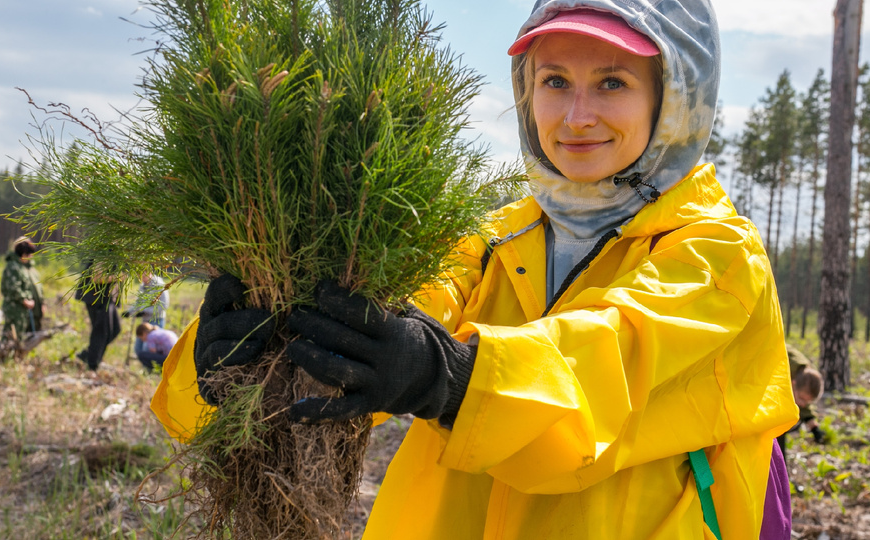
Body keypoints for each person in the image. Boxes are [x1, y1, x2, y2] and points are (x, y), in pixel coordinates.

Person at [152, 0, 798, 537]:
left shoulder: (716, 257)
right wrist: (234, 367)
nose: (576, 117)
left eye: (612, 82)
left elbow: (606, 361)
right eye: (554, 82)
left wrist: (451, 379)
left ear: (676, 99)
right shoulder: (493, 240)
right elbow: (394, 327)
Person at [777, 344, 825, 457]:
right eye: (802, 399)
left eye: (807, 402)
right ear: (792, 384)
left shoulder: (804, 374)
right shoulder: (782, 370)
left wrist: (814, 427)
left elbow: (801, 394)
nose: (803, 405)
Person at [74, 261, 122, 371]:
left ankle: (89, 354)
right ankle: (92, 364)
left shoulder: (116, 252)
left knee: (115, 329)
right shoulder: (104, 251)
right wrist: (118, 277)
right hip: (96, 299)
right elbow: (97, 277)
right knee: (101, 332)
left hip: (107, 299)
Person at [0, 237, 44, 340]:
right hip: (14, 309)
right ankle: (6, 355)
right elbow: (13, 288)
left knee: (20, 336)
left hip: (22, 310)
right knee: (12, 335)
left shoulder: (23, 267)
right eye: (29, 254)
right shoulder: (13, 267)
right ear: (23, 254)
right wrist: (25, 301)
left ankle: (17, 355)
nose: (30, 257)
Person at [125, 273, 170, 359]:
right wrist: (129, 312)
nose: (142, 278)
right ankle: (145, 368)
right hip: (145, 322)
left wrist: (146, 311)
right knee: (138, 348)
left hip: (157, 320)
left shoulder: (159, 285)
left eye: (144, 275)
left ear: (149, 273)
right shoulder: (143, 286)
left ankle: (152, 369)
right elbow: (138, 302)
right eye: (140, 276)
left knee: (149, 349)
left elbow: (164, 305)